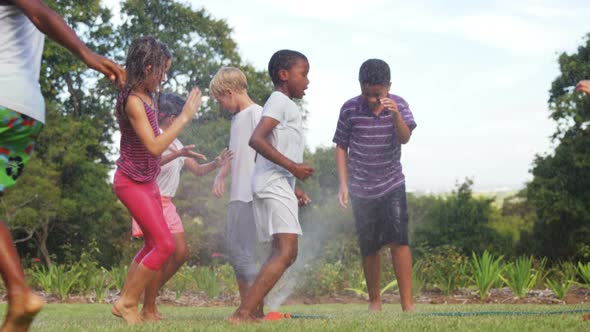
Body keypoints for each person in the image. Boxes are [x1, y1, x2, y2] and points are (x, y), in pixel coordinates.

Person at [0, 1, 125, 331]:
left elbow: (42, 15)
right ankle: (19, 297)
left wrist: (86, 54)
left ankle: (18, 292)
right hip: (25, 115)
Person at [111, 36, 200, 325]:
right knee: (164, 244)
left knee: (154, 244)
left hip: (146, 180)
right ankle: (127, 303)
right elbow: (153, 146)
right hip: (130, 182)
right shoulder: (134, 101)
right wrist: (184, 117)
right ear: (148, 67)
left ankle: (125, 301)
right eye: (162, 71)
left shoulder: (147, 95)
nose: (164, 78)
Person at [126, 93, 232, 321]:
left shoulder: (176, 142)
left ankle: (143, 294)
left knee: (181, 252)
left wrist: (216, 163)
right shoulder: (154, 137)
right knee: (160, 252)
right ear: (172, 117)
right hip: (152, 200)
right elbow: (149, 164)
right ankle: (148, 308)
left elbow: (198, 169)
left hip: (168, 203)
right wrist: (178, 154)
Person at [228, 49, 313, 324]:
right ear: (284, 75)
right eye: (304, 74)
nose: (308, 81)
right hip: (273, 184)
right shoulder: (280, 101)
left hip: (273, 183)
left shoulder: (283, 104)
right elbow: (257, 140)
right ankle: (243, 313)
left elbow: (265, 149)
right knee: (287, 251)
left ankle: (252, 312)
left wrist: (293, 187)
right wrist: (294, 169)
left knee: (279, 250)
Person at [333, 58, 417, 312]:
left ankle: (407, 304)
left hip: (392, 183)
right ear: (361, 86)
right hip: (361, 188)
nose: (372, 99)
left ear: (388, 87)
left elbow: (405, 137)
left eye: (377, 94)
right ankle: (375, 301)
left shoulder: (399, 105)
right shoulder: (349, 109)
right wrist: (344, 185)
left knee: (399, 241)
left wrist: (395, 116)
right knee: (369, 245)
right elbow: (340, 146)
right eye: (367, 94)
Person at [209, 67, 263, 315]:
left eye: (221, 100)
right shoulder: (236, 119)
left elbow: (266, 153)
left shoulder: (257, 114)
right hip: (236, 196)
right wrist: (221, 175)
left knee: (243, 252)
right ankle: (248, 307)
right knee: (236, 253)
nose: (221, 105)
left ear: (230, 92)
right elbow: (233, 154)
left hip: (251, 195)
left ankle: (254, 309)